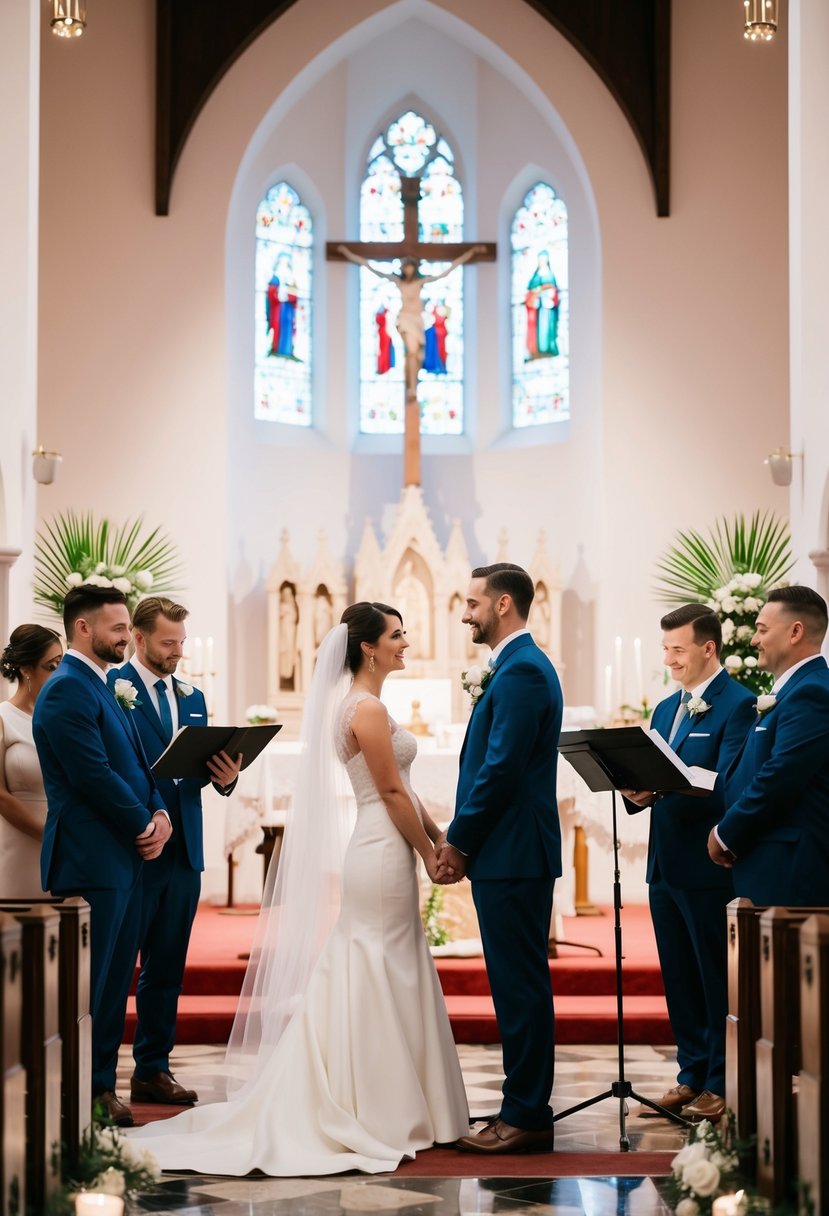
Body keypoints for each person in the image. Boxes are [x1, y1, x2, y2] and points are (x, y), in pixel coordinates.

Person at [130, 602, 469, 1174]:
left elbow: (404, 789)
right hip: (381, 850)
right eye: (398, 635)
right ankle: (374, 1104)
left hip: (390, 846)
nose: (407, 643)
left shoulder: (368, 704)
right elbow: (387, 794)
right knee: (376, 966)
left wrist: (441, 839)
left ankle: (404, 1100)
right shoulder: (362, 709)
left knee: (391, 965)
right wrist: (428, 852)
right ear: (368, 647)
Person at [32, 585, 172, 1127]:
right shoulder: (68, 688)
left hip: (125, 854)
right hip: (93, 856)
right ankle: (84, 1091)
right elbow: (92, 773)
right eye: (118, 629)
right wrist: (141, 822)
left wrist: (160, 815)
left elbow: (139, 762)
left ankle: (101, 1086)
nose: (125, 637)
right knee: (91, 985)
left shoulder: (105, 686)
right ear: (84, 629)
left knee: (115, 978)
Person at [438, 563, 563, 1155]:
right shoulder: (515, 668)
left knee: (520, 987)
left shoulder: (522, 674)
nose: (465, 613)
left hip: (513, 852)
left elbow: (501, 769)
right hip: (509, 852)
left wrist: (459, 840)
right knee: (516, 985)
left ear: (503, 604)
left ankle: (528, 1115)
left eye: (472, 603)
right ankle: (523, 1104)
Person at [621, 605, 755, 1125]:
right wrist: (637, 791)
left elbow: (731, 782)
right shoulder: (663, 709)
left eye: (678, 650)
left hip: (707, 864)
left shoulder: (739, 705)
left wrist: (668, 784)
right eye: (665, 650)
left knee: (712, 977)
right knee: (678, 974)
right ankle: (690, 1073)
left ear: (708, 648)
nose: (670, 659)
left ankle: (720, 1081)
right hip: (665, 864)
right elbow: (656, 776)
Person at [108, 597, 242, 1109]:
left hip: (185, 850)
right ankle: (101, 1077)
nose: (177, 653)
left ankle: (153, 1069)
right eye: (168, 643)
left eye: (182, 643)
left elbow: (192, 774)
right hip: (137, 847)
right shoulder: (112, 693)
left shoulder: (193, 697)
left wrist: (225, 779)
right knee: (120, 969)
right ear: (139, 640)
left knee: (168, 966)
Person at [708, 585, 829, 906]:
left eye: (762, 630)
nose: (753, 640)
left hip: (790, 867)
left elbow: (780, 776)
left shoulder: (813, 693)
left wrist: (726, 833)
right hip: (767, 859)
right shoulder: (795, 690)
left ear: (796, 632)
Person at [337, 243, 486, 399]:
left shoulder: (420, 283)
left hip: (417, 321)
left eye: (410, 266)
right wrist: (347, 252)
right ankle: (412, 389)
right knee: (412, 352)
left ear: (415, 268)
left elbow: (446, 271)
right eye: (405, 266)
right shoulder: (399, 282)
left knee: (418, 356)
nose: (408, 269)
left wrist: (470, 253)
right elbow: (370, 267)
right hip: (405, 319)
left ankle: (413, 384)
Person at [0, 624, 63, 897]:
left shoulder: (62, 719)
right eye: (52, 666)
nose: (61, 675)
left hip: (68, 843)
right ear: (26, 669)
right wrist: (50, 836)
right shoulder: (3, 718)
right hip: (20, 845)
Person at [524, 250, 560, 359]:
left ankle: (548, 348)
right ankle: (537, 349)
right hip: (538, 308)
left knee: (548, 328)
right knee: (538, 329)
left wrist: (548, 294)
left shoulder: (550, 275)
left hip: (548, 307)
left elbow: (554, 291)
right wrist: (536, 292)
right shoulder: (535, 277)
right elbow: (530, 291)